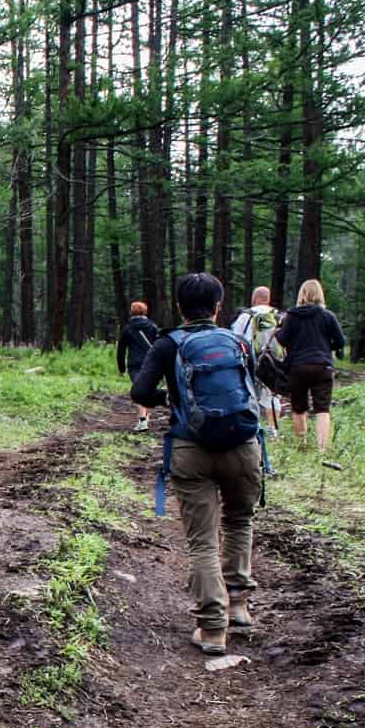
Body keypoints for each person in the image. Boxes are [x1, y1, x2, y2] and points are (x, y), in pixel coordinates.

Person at [131, 273, 266, 656]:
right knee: (240, 521)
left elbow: (139, 392)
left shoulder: (169, 343)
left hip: (191, 448)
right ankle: (239, 606)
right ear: (218, 305)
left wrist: (173, 400)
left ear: (179, 307)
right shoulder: (238, 342)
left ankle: (212, 629)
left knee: (202, 540)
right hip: (243, 446)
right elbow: (255, 386)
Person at [274, 278, 346, 456]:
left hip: (297, 367)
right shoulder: (327, 316)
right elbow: (341, 341)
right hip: (322, 366)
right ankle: (322, 450)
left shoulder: (291, 316)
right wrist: (329, 346)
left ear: (302, 295)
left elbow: (281, 339)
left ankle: (302, 445)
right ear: (320, 294)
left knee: (299, 408)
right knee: (322, 409)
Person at [230, 286, 282, 436]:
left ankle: (254, 430)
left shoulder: (246, 316)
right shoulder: (277, 316)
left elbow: (235, 338)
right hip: (272, 362)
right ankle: (273, 431)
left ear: (254, 299)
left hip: (250, 361)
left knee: (250, 394)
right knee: (272, 395)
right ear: (268, 298)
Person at [116, 300, 160, 432]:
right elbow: (159, 346)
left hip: (134, 364)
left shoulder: (127, 329)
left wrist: (121, 368)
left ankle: (142, 420)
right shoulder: (153, 326)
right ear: (145, 311)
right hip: (151, 363)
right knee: (147, 390)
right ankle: (145, 418)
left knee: (139, 390)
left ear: (132, 312)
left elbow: (121, 350)